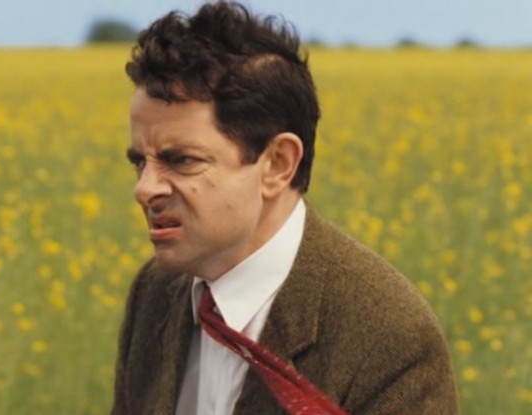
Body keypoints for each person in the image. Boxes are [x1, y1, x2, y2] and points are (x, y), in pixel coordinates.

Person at [111, 1, 459, 414]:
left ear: (278, 164)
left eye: (182, 160)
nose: (144, 189)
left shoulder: (390, 339)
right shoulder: (155, 291)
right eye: (140, 162)